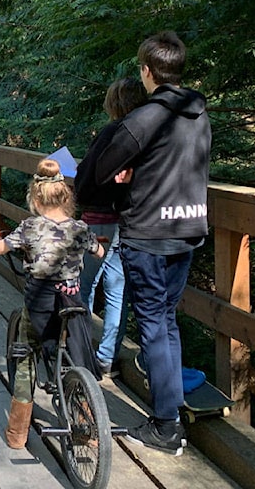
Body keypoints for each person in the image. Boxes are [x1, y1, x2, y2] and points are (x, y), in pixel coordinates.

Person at [95, 31, 211, 456]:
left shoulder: (143, 119)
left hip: (149, 235)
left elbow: (101, 170)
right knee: (167, 321)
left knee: (153, 328)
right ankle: (172, 410)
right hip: (188, 230)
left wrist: (123, 175)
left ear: (147, 71)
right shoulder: (198, 114)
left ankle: (165, 425)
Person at [0, 158, 104, 449]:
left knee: (24, 359)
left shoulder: (29, 227)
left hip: (40, 303)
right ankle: (87, 420)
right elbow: (98, 252)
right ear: (65, 195)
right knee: (77, 356)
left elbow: (0, 248)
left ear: (36, 196)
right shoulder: (80, 228)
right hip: (71, 300)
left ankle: (17, 434)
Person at [75, 78, 148, 377]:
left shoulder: (111, 132)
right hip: (128, 219)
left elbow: (88, 174)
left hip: (99, 218)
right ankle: (107, 357)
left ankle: (79, 352)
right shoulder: (146, 133)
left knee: (83, 287)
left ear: (114, 102)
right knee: (117, 290)